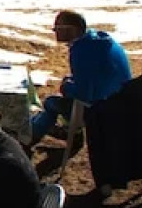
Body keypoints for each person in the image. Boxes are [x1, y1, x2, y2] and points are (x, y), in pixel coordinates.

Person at [30, 10, 133, 144]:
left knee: (51, 103)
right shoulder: (99, 40)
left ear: (72, 30)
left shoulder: (82, 51)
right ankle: (71, 131)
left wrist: (66, 87)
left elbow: (83, 94)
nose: (55, 32)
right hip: (122, 103)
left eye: (58, 29)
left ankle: (31, 136)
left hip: (103, 110)